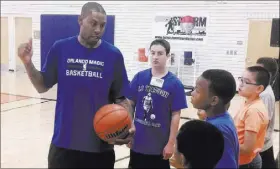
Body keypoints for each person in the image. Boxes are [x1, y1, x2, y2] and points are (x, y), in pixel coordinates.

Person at [17, 2, 135, 168]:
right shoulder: (61, 48)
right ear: (80, 20)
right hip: (64, 144)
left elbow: (122, 98)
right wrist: (27, 63)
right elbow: (42, 86)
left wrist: (128, 124)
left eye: (102, 25)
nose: (98, 30)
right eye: (93, 23)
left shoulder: (113, 55)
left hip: (100, 147)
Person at [126, 39, 188, 168]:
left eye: (160, 53)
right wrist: (129, 131)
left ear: (168, 56)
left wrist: (171, 143)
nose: (155, 57)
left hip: (159, 146)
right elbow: (130, 104)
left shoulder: (175, 84)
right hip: (138, 142)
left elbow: (176, 115)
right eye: (153, 53)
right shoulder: (139, 77)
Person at [190, 69, 239, 168]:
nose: (192, 93)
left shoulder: (217, 131)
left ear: (214, 100)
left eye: (197, 91)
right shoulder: (222, 118)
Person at [234, 66, 270, 169]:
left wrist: (224, 142)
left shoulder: (253, 111)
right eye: (241, 79)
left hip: (245, 162)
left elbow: (247, 148)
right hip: (242, 159)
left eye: (246, 82)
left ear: (259, 88)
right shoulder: (248, 102)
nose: (240, 84)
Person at [256, 57, 278, 169]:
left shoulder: (265, 95)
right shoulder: (262, 90)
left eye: (258, 70)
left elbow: (265, 121)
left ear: (268, 74)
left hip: (262, 145)